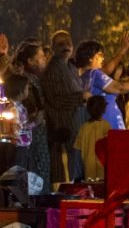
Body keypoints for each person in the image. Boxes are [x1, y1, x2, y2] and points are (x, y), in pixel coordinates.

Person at [75, 40, 129, 130]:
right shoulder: (94, 73)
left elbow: (122, 84)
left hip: (101, 127)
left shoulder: (85, 77)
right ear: (90, 57)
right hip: (108, 128)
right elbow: (120, 88)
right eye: (100, 55)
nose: (103, 59)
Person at [41, 30, 86, 182]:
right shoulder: (52, 70)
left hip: (77, 123)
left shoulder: (72, 67)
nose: (66, 46)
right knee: (67, 172)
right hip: (63, 128)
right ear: (53, 47)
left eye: (68, 43)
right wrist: (81, 97)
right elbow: (55, 100)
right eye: (61, 44)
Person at [11, 41, 51, 193]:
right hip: (33, 137)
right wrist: (38, 118)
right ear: (30, 61)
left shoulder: (36, 80)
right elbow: (32, 111)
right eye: (40, 56)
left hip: (35, 135)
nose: (44, 59)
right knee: (35, 171)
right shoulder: (28, 82)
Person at [74, 96, 111, 181]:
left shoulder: (84, 127)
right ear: (103, 110)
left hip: (88, 168)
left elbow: (77, 148)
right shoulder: (106, 126)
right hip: (103, 167)